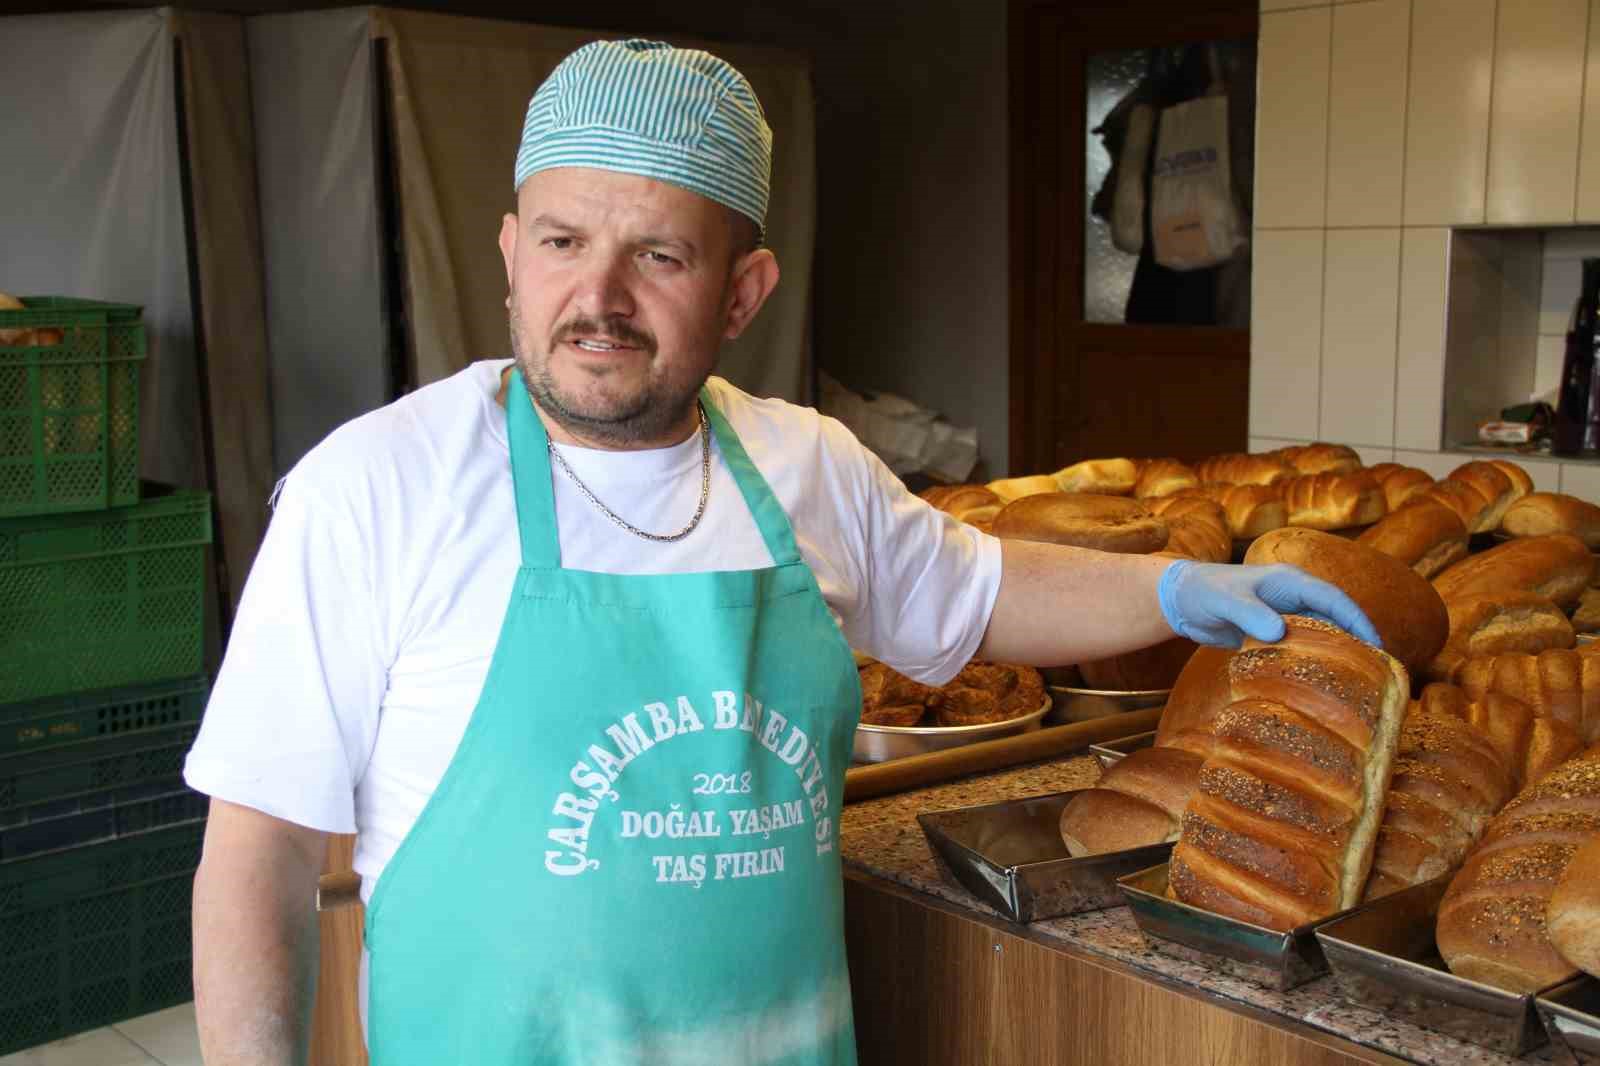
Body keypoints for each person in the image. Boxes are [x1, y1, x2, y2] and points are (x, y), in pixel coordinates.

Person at [185, 38, 1378, 1066]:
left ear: (744, 291)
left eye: (657, 255)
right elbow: (261, 850)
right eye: (560, 241)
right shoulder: (378, 484)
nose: (595, 296)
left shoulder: (804, 462)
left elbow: (974, 588)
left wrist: (1180, 586)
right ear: (507, 252)